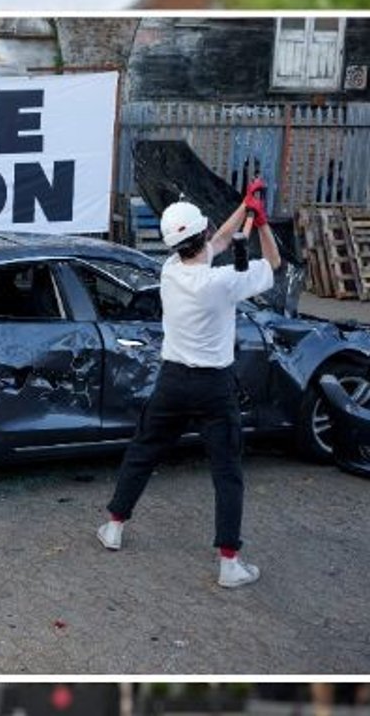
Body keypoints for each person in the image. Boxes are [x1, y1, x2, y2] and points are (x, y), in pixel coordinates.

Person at [98, 181, 279, 588]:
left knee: (144, 451)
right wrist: (261, 223)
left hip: (173, 381)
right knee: (227, 471)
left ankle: (114, 526)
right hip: (214, 387)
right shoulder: (224, 283)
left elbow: (213, 241)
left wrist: (243, 207)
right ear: (202, 232)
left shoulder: (170, 270)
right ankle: (229, 563)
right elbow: (274, 261)